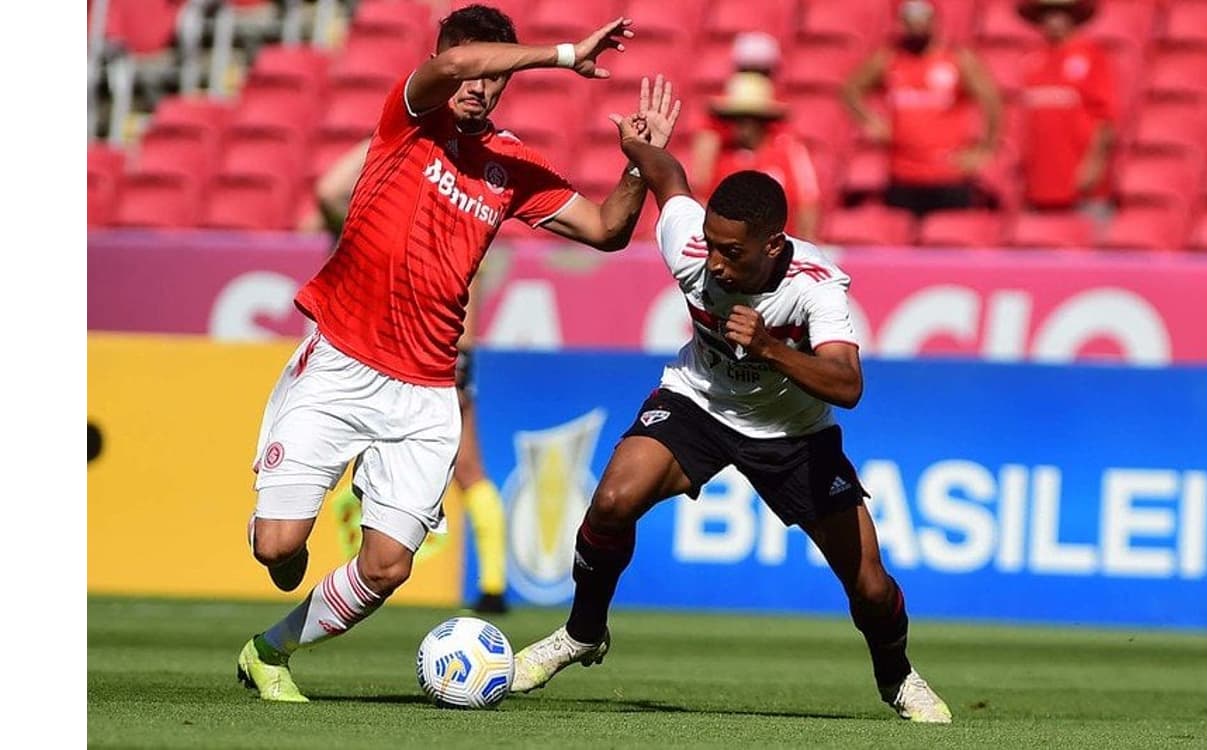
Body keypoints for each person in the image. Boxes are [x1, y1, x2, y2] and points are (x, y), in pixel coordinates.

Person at [236, 5, 672, 703]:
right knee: (277, 548)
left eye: (490, 73)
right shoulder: (409, 117)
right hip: (343, 360)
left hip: (426, 390)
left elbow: (608, 229)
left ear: (503, 84)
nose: (477, 83)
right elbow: (453, 67)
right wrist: (562, 54)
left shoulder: (511, 166)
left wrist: (638, 165)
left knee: (385, 569)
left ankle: (270, 650)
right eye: (469, 65)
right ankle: (282, 539)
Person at [509, 89, 953, 724]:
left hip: (793, 435)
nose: (713, 262)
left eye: (731, 252)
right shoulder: (693, 247)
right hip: (700, 405)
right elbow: (670, 182)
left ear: (773, 246)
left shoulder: (816, 287)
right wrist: (641, 146)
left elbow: (848, 384)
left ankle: (897, 677)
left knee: (872, 586)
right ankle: (583, 632)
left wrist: (771, 347)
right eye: (711, 244)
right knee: (611, 502)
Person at [310, 136, 512, 616]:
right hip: (437, 355)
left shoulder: (434, 225)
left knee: (465, 468)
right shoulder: (463, 219)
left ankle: (490, 583)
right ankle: (492, 582)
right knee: (469, 470)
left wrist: (392, 136)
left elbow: (326, 193)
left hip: (427, 357)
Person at [841, 0, 1002, 218]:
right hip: (903, 175)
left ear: (934, 21)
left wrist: (985, 149)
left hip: (949, 176)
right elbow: (851, 89)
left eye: (922, 20)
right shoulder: (890, 58)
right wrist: (872, 121)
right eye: (910, 21)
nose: (916, 27)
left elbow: (991, 99)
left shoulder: (957, 59)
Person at [1016, 0, 1116, 218]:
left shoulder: (1090, 56)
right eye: (1047, 13)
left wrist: (1094, 163)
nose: (1054, 19)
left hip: (1082, 188)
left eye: (1062, 12)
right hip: (1039, 186)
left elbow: (1105, 118)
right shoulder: (1032, 60)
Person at [697, 72, 821, 239]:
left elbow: (807, 202)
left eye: (747, 118)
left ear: (762, 120)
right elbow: (704, 198)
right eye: (735, 118)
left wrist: (807, 242)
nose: (740, 126)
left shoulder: (788, 150)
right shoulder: (722, 154)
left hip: (779, 248)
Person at [689, 32, 783, 207]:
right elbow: (700, 178)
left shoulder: (781, 134)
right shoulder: (715, 126)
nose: (754, 77)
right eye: (746, 69)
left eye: (762, 71)